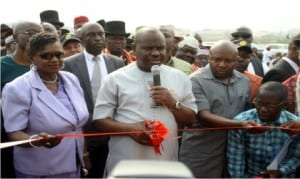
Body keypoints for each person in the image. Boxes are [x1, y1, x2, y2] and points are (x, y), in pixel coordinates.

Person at [93, 27, 197, 176]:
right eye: (148, 48)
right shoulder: (115, 79)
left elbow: (190, 119)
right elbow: (99, 120)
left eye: (160, 48)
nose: (155, 53)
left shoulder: (180, 78)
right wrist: (132, 129)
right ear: (134, 48)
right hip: (126, 163)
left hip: (165, 162)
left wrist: (172, 103)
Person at [2, 32, 89, 178]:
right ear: (32, 58)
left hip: (75, 164)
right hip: (40, 170)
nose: (54, 60)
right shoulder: (17, 88)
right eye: (46, 56)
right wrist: (35, 141)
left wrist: (85, 154)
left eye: (59, 54)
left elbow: (78, 125)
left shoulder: (71, 79)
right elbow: (14, 132)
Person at [179, 40, 258, 178]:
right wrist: (240, 125)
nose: (222, 64)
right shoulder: (195, 80)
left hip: (234, 152)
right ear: (209, 57)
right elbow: (204, 116)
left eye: (228, 61)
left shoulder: (244, 81)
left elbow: (246, 113)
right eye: (217, 59)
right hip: (201, 152)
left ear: (236, 60)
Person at [63, 22, 124, 178]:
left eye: (100, 34)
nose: (97, 38)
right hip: (85, 133)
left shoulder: (116, 63)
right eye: (92, 35)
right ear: (82, 38)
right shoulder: (69, 64)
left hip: (113, 130)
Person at [227, 82, 300, 178]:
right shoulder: (241, 122)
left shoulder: (294, 125)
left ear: (284, 105)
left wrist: (281, 171)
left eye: (270, 106)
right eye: (259, 103)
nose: (263, 109)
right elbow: (235, 159)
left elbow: (296, 156)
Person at [1, 21, 43, 178]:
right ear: (14, 36)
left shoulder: (46, 66)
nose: (35, 38)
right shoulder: (2, 66)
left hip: (42, 138)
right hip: (8, 137)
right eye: (30, 33)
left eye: (39, 34)